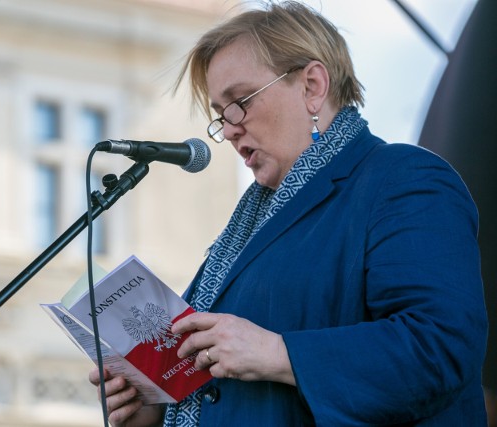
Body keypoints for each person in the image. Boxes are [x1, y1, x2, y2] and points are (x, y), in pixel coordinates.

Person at [89, 1, 489, 425]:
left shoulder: (403, 180)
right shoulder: (243, 231)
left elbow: (440, 348)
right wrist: (154, 406)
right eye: (219, 115)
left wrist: (279, 353)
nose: (227, 130)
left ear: (312, 86)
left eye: (240, 101)